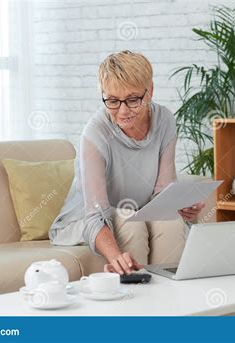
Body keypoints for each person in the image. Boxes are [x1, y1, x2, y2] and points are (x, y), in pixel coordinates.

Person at [49, 50, 205, 275]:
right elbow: (95, 214)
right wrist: (116, 256)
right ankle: (135, 300)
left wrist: (180, 204)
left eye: (133, 100)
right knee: (129, 221)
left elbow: (162, 193)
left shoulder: (165, 120)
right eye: (112, 100)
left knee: (170, 221)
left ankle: (169, 302)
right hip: (86, 219)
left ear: (149, 91)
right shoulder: (95, 133)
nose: (123, 111)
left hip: (138, 210)